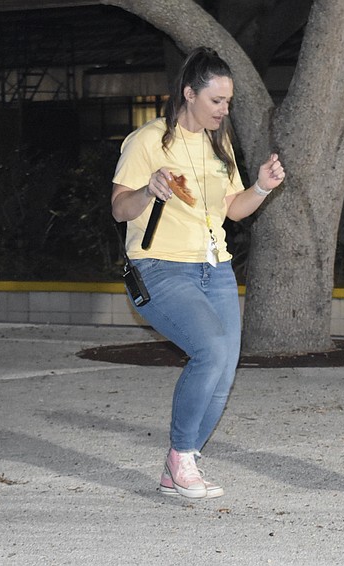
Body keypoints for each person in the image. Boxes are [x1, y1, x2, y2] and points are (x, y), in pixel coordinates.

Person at [111, 47, 285, 499]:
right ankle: (181, 455)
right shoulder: (147, 141)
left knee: (224, 368)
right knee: (210, 349)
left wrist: (262, 187)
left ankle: (179, 467)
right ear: (189, 94)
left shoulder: (218, 143)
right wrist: (148, 191)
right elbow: (118, 209)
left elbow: (233, 210)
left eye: (228, 102)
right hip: (160, 268)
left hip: (215, 268)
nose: (224, 110)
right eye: (216, 101)